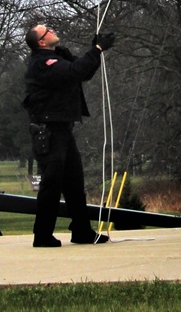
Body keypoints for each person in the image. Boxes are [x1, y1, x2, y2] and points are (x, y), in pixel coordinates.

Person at [22, 22, 115, 247]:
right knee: (52, 183)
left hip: (62, 128)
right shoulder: (43, 63)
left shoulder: (57, 57)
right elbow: (76, 71)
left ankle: (81, 231)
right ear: (41, 42)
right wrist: (98, 50)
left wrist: (96, 50)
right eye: (47, 31)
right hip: (49, 130)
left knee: (74, 182)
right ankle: (42, 235)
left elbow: (82, 70)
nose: (53, 31)